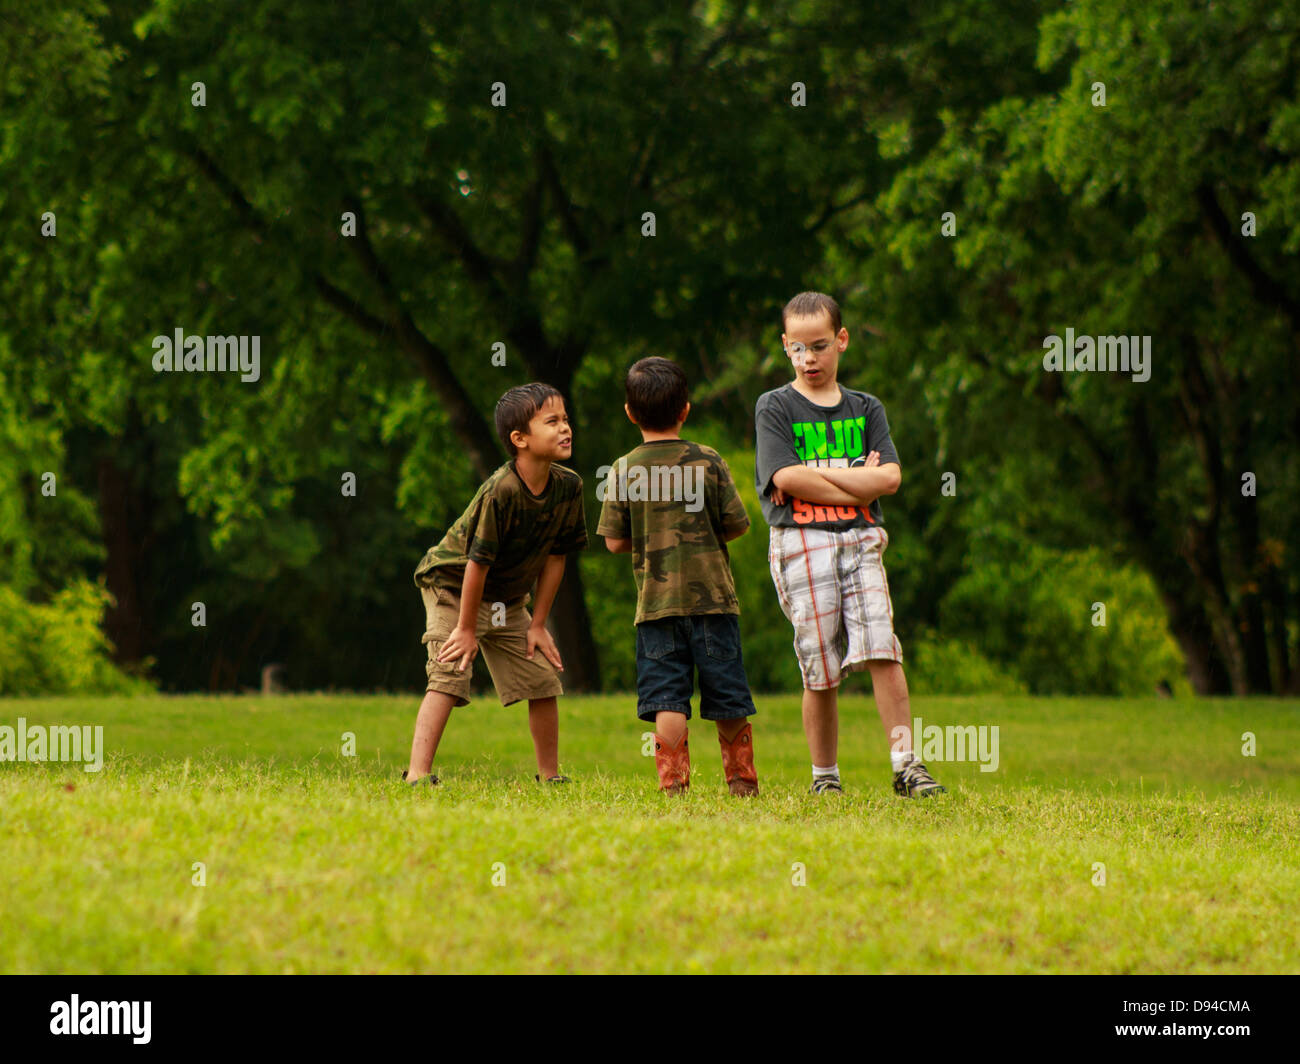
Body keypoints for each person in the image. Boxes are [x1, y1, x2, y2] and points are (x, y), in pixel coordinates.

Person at [755, 292, 945, 798]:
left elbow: (891, 480)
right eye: (797, 349)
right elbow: (786, 478)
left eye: (818, 346)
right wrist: (854, 479)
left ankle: (906, 767)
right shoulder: (774, 406)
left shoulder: (866, 408)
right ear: (785, 347)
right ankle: (825, 778)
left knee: (884, 649)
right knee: (820, 666)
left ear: (841, 340)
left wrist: (823, 477)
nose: (809, 359)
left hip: (861, 541)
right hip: (801, 543)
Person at [405, 383, 587, 786]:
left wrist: (538, 624)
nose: (565, 428)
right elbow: (476, 564)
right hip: (452, 586)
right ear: (519, 439)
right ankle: (417, 775)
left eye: (566, 420)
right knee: (449, 669)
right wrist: (466, 629)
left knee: (542, 680)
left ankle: (550, 777)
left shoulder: (569, 486)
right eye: (552, 421)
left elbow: (557, 557)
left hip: (506, 597)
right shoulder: (501, 491)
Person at [598, 357, 760, 795]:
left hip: (656, 608)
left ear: (630, 413)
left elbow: (613, 542)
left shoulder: (624, 469)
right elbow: (738, 525)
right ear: (685, 409)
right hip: (714, 602)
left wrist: (653, 537)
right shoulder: (708, 460)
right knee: (727, 694)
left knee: (667, 699)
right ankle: (742, 783)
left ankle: (674, 787)